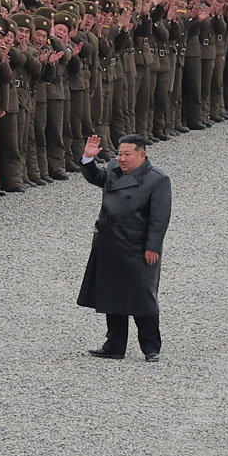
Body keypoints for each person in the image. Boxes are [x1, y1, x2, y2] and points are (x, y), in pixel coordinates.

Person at [77, 134, 169, 362]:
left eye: (128, 154)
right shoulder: (113, 169)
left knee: (142, 295)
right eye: (120, 154)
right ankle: (114, 345)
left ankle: (150, 347)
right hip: (110, 241)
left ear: (142, 155)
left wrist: (153, 247)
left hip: (136, 244)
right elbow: (96, 176)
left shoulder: (156, 179)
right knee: (111, 294)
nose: (123, 159)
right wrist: (88, 158)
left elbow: (159, 218)